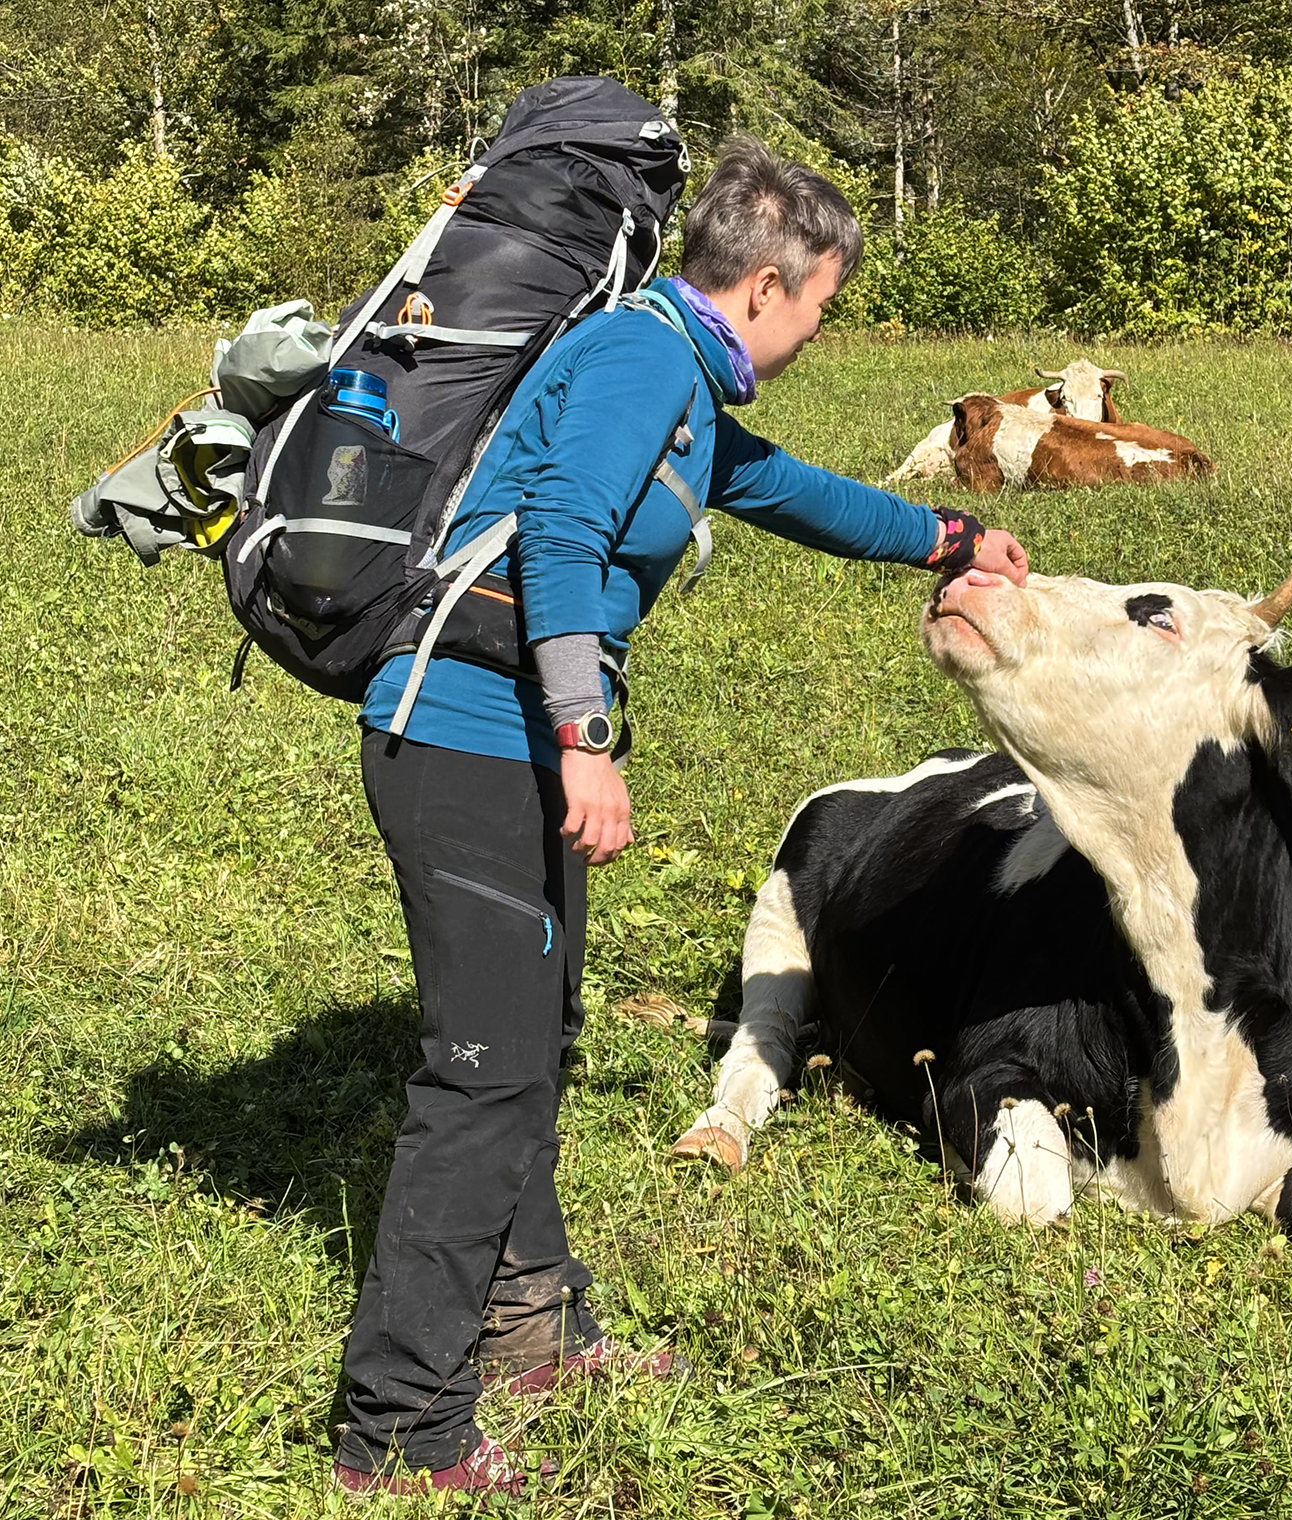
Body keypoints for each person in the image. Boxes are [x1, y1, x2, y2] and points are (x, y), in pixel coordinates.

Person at [331, 134, 1030, 1497]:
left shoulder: (686, 386)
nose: (822, 327)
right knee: (483, 1074)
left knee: (533, 1046)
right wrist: (586, 736)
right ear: (768, 286)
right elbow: (560, 538)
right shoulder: (647, 358)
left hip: (508, 739)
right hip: (470, 739)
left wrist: (951, 540)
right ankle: (398, 1431)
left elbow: (788, 492)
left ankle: (531, 1336)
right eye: (824, 300)